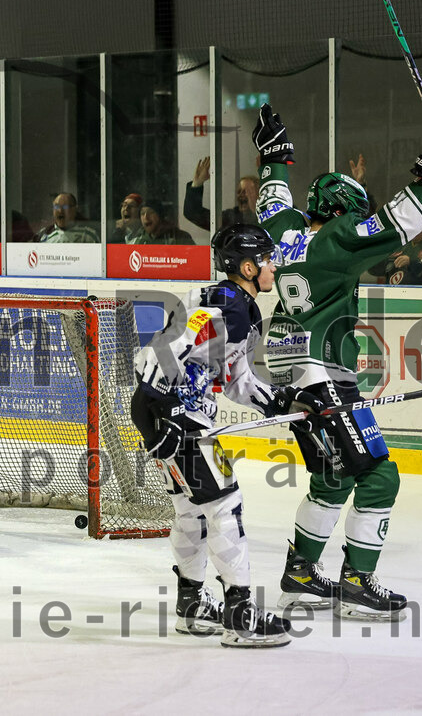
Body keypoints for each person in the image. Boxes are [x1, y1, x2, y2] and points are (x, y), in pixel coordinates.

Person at [252, 103, 422, 620]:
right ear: (345, 209)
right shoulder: (337, 240)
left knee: (332, 478)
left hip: (285, 367)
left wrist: (273, 155)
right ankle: (357, 583)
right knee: (379, 476)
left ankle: (300, 575)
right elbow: (395, 224)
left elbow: (271, 196)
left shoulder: (284, 232)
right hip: (321, 371)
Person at [131, 223, 321, 648]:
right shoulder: (224, 304)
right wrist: (155, 410)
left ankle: (192, 605)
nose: (275, 266)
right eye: (269, 260)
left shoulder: (240, 306)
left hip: (180, 421)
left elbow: (236, 378)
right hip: (183, 425)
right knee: (225, 507)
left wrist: (285, 403)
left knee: (190, 512)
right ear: (249, 267)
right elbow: (164, 348)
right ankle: (240, 615)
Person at [183, 157, 260, 231]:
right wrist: (197, 183)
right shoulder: (232, 217)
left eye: (246, 191)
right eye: (239, 191)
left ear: (259, 194)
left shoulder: (267, 215)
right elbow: (192, 213)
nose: (241, 195)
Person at [128, 199, 195, 245]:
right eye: (142, 213)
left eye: (150, 212)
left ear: (160, 216)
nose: (146, 217)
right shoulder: (137, 240)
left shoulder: (180, 238)